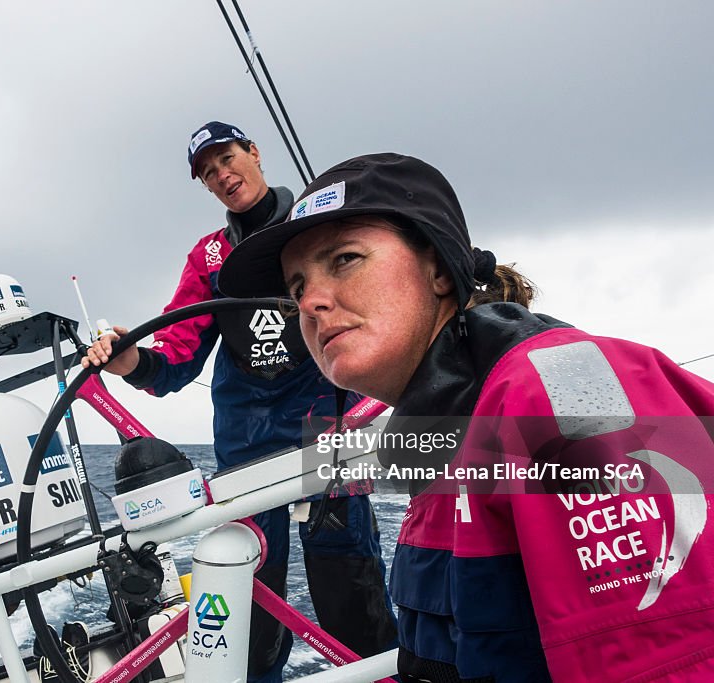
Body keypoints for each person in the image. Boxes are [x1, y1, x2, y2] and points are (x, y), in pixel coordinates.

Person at [216, 152, 714, 682]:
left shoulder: (556, 397)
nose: (311, 302)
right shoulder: (446, 433)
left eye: (344, 259)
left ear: (438, 270)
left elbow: (670, 659)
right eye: (295, 291)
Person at [82, 123, 397, 682]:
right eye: (208, 172)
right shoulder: (207, 257)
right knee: (248, 593)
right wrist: (126, 357)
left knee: (350, 583)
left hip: (329, 432)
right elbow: (173, 362)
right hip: (246, 444)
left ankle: (378, 675)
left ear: (254, 153)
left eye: (227, 158)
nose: (222, 174)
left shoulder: (318, 220)